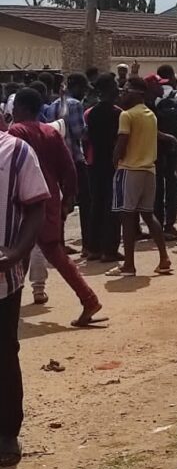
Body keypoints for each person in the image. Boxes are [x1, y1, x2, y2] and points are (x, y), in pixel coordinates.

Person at [9, 88, 103, 326]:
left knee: (17, 252)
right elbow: (69, 169)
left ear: (19, 107)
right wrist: (68, 199)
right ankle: (88, 298)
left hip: (23, 200)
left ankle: (11, 306)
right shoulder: (50, 133)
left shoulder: (16, 132)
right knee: (51, 251)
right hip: (49, 198)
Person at [0, 132, 49, 467]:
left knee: (3, 352)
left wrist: (18, 252)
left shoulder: (16, 152)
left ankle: (6, 432)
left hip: (2, 278)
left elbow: (36, 207)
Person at [108, 77, 173, 277]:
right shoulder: (150, 114)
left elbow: (122, 141)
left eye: (126, 90)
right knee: (148, 214)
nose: (123, 93)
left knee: (127, 216)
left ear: (137, 93)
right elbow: (154, 135)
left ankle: (129, 264)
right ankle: (164, 258)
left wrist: (115, 161)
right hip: (149, 171)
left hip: (129, 170)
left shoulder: (126, 115)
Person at [45, 72, 91, 257]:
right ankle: (88, 245)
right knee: (86, 202)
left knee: (61, 201)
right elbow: (80, 133)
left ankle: (60, 243)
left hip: (56, 160)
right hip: (74, 158)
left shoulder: (52, 106)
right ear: (78, 87)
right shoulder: (75, 104)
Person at [84, 73, 121, 261]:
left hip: (95, 163)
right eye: (115, 85)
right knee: (113, 206)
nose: (118, 89)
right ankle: (110, 250)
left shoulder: (90, 112)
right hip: (113, 163)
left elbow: (86, 138)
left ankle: (93, 248)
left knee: (96, 204)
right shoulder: (118, 113)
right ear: (108, 89)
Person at [147, 73, 177, 240]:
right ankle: (160, 227)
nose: (162, 87)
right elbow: (151, 130)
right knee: (159, 190)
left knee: (170, 188)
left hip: (164, 152)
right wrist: (170, 138)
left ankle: (167, 225)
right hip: (156, 153)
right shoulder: (147, 106)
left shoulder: (156, 105)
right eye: (159, 85)